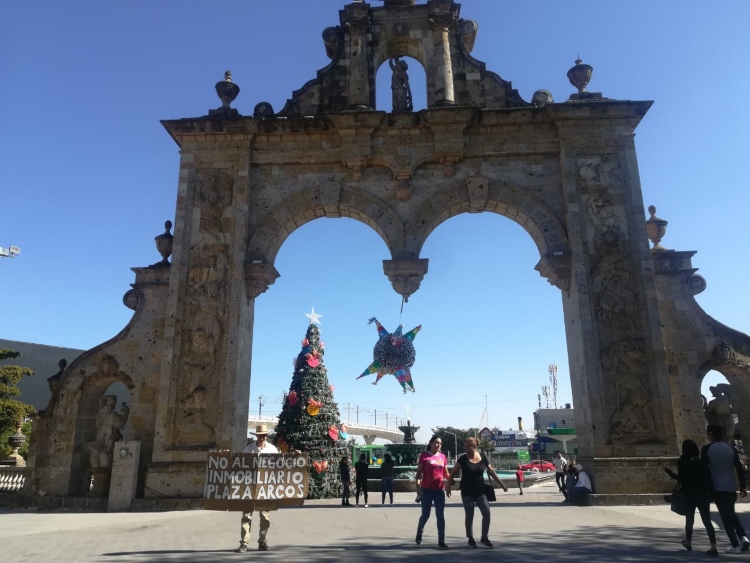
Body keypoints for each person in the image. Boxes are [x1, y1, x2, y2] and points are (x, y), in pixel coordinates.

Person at [447, 437, 508, 548]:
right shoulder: (462, 459)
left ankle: (484, 537)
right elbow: (452, 473)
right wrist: (448, 486)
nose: (466, 448)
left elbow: (491, 471)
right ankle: (470, 538)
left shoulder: (483, 458)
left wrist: (502, 484)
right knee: (469, 515)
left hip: (481, 492)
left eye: (468, 446)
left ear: (475, 447)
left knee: (487, 513)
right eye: (465, 446)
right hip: (467, 492)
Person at [664, 439, 717, 555]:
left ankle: (688, 541)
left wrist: (668, 471)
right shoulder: (701, 462)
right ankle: (713, 545)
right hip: (702, 494)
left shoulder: (683, 461)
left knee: (689, 519)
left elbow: (681, 479)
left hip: (689, 494)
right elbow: (708, 478)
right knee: (707, 520)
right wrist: (711, 493)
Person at [702, 424, 749, 554]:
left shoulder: (707, 449)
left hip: (717, 487)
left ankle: (734, 544)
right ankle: (743, 537)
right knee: (731, 513)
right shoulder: (730, 449)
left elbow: (704, 470)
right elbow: (739, 469)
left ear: (710, 434)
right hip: (730, 486)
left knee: (725, 516)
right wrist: (743, 487)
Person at [235, 424, 278, 553]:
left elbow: (280, 466)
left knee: (265, 517)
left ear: (266, 436)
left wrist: (296, 456)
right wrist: (226, 457)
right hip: (249, 487)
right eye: (260, 436)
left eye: (264, 436)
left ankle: (262, 541)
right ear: (256, 436)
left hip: (265, 488)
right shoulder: (248, 449)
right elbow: (239, 465)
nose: (262, 438)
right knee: (246, 516)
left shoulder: (272, 449)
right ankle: (244, 543)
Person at [415, 435, 451, 550]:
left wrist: (451, 481)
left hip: (439, 490)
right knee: (425, 515)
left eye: (440, 443)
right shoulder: (424, 456)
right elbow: (419, 473)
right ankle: (419, 531)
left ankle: (441, 541)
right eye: (436, 442)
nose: (438, 445)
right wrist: (418, 488)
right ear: (430, 443)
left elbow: (446, 473)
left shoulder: (442, 457)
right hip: (426, 490)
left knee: (440, 516)